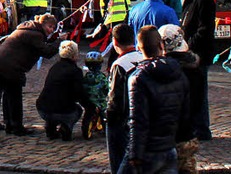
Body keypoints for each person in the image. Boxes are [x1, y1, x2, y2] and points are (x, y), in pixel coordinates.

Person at [118, 25, 190, 174]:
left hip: (148, 149)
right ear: (161, 45)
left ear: (139, 47)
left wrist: (134, 154)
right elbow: (185, 114)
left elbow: (138, 120)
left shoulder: (138, 78)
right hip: (169, 146)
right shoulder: (178, 72)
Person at [0, 12, 60, 136]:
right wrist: (59, 41)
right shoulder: (35, 34)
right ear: (42, 24)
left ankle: (10, 124)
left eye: (53, 28)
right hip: (9, 67)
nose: (51, 30)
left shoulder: (28, 29)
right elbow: (47, 52)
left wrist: (52, 40)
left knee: (8, 96)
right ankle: (16, 127)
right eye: (50, 27)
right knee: (14, 96)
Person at [159, 24, 204, 174]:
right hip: (188, 131)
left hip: (166, 133)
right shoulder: (195, 68)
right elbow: (198, 102)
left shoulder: (164, 70)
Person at [180, 0, 216, 141]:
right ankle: (194, 127)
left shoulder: (204, 1)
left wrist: (189, 45)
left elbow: (204, 29)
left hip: (199, 53)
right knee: (192, 93)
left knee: (199, 93)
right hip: (188, 51)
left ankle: (202, 129)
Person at [106, 23, 144, 174]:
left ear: (115, 42)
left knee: (119, 157)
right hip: (143, 113)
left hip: (124, 117)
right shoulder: (142, 57)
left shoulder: (119, 64)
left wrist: (108, 116)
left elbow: (115, 98)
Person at [36, 39, 90, 141]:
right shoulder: (75, 71)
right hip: (63, 110)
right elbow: (79, 93)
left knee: (54, 105)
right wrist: (89, 105)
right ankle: (66, 126)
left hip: (42, 108)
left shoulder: (54, 67)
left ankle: (50, 126)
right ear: (74, 55)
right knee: (77, 110)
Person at [81, 50, 109, 139]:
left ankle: (87, 128)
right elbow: (106, 87)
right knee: (104, 113)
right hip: (100, 100)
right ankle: (106, 130)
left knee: (87, 114)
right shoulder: (102, 77)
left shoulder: (86, 77)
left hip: (89, 100)